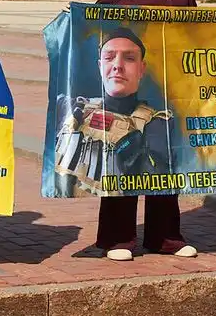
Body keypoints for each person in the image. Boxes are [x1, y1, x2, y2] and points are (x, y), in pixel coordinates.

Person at [92, 0, 198, 261]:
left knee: (164, 157)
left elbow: (195, 24)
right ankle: (117, 238)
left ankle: (165, 236)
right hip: (130, 84)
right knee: (124, 153)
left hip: (171, 84)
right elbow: (99, 22)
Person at [55, 29, 176, 196]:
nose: (118, 66)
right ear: (100, 66)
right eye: (109, 57)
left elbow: (163, 187)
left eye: (129, 58)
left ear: (142, 69)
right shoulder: (72, 107)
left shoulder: (156, 125)